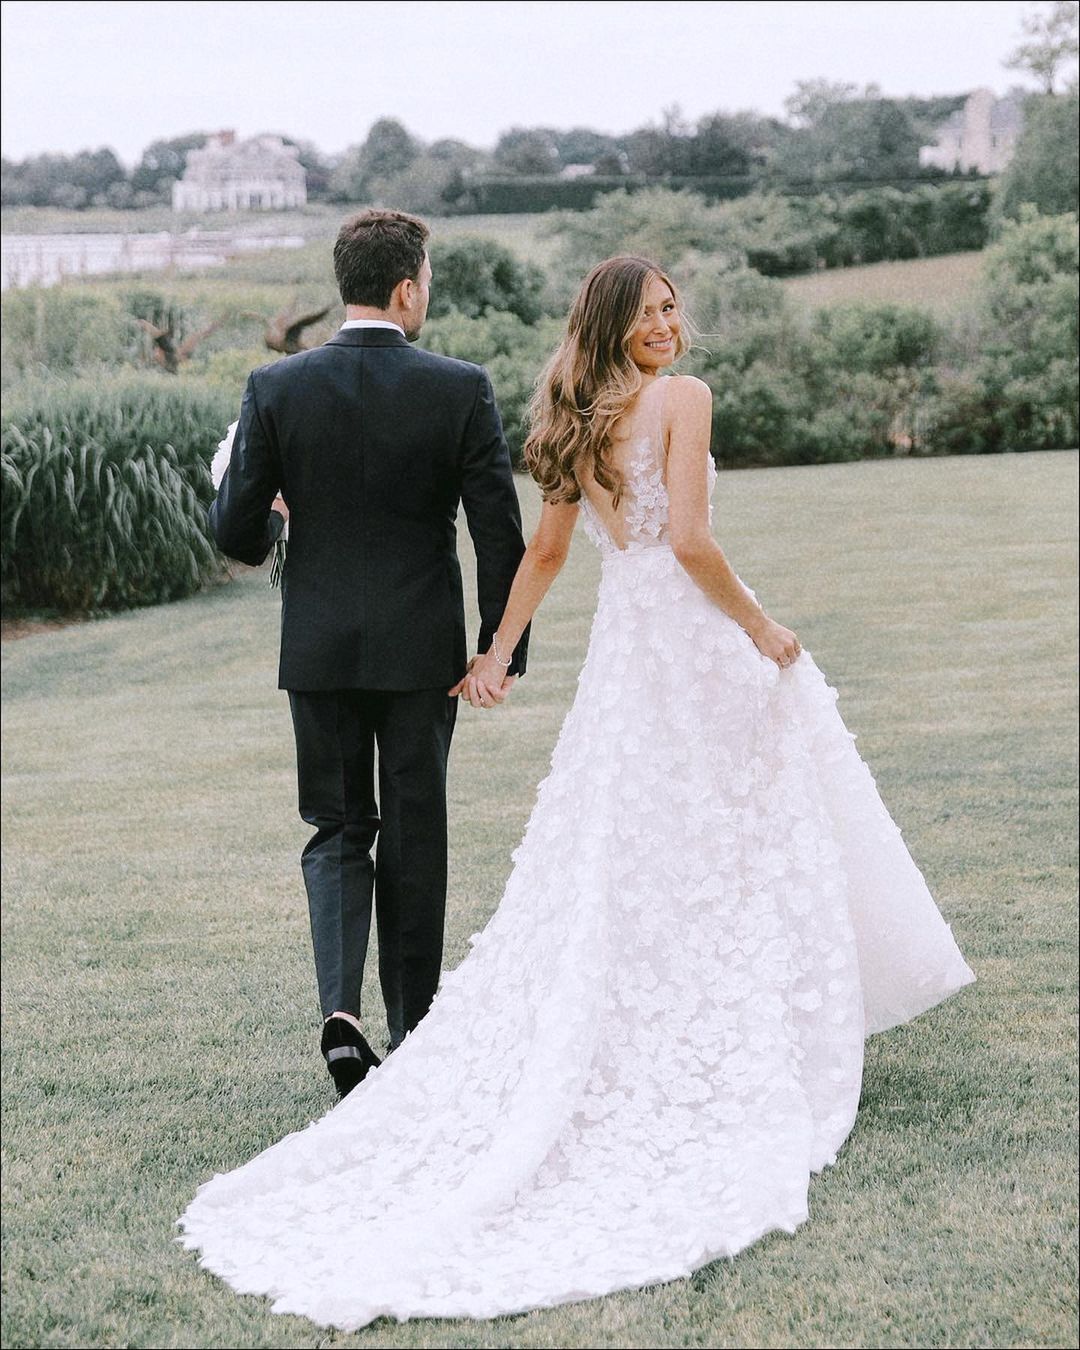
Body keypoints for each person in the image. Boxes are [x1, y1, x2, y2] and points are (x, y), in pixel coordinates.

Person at [181, 254, 974, 1330]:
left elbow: (551, 554)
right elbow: (684, 540)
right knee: (723, 833)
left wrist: (497, 653)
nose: (669, 325)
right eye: (650, 312)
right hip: (684, 643)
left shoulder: (574, 418)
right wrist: (759, 627)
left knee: (627, 843)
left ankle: (594, 1015)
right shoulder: (682, 402)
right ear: (613, 322)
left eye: (671, 309)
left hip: (612, 655)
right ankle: (739, 1030)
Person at [207, 209, 528, 1096]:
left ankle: (341, 1012)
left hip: (316, 649)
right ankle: (416, 1027)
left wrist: (267, 506)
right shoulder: (459, 387)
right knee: (415, 832)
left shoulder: (275, 387)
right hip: (423, 652)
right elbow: (500, 535)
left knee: (339, 827)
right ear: (406, 288)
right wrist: (500, 649)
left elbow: (236, 533)